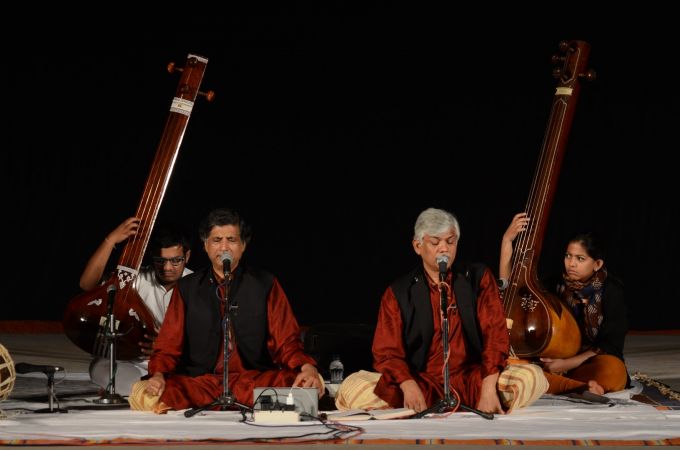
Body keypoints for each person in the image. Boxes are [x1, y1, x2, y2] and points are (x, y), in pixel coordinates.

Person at [334, 208, 548, 415]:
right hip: (423, 383)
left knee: (532, 377)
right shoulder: (398, 293)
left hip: (474, 380)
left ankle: (485, 399)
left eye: (450, 241)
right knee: (353, 388)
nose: (444, 249)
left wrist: (488, 386)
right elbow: (387, 352)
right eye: (435, 243)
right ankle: (421, 402)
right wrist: (408, 385)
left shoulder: (478, 277)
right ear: (417, 246)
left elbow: (495, 335)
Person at [129, 207, 324, 413]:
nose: (224, 247)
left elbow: (287, 342)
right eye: (216, 240)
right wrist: (158, 374)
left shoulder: (265, 283)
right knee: (146, 393)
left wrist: (307, 367)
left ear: (243, 245)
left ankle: (262, 402)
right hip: (200, 383)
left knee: (306, 385)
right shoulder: (187, 287)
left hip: (252, 381)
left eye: (231, 240)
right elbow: (168, 345)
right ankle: (265, 405)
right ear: (205, 245)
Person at [499, 213, 628, 395]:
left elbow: (610, 344)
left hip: (588, 362)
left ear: (597, 264)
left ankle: (561, 384)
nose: (571, 264)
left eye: (580, 258)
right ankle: (578, 388)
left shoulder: (611, 291)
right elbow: (512, 291)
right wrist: (506, 241)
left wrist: (567, 364)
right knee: (511, 364)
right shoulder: (554, 285)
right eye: (568, 256)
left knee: (614, 371)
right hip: (553, 361)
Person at [80, 217, 192, 396]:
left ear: (187, 256)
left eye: (176, 261)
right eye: (160, 261)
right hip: (138, 365)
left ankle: (149, 390)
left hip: (178, 363)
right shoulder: (137, 279)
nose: (167, 268)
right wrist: (110, 240)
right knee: (99, 368)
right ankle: (157, 390)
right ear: (152, 257)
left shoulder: (197, 285)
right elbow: (88, 285)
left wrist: (166, 348)